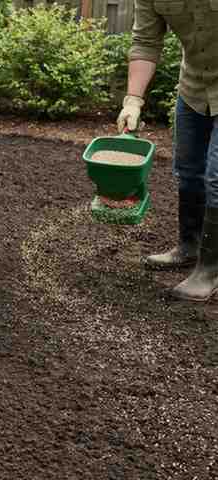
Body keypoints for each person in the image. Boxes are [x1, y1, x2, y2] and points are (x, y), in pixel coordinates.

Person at [120, 0, 218, 301]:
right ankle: (189, 246)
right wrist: (133, 101)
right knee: (188, 170)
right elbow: (146, 43)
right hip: (194, 86)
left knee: (216, 177)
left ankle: (210, 269)